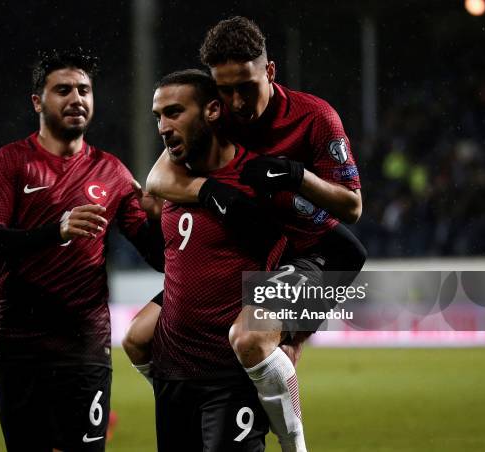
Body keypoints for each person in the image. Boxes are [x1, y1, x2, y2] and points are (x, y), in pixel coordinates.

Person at [124, 16, 367, 452]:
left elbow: (352, 208)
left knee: (252, 337)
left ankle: (294, 444)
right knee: (139, 337)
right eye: (225, 90)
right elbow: (156, 178)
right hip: (264, 251)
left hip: (320, 253)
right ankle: (191, 401)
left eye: (246, 87)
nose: (237, 102)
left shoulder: (315, 117)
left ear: (270, 71)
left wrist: (298, 176)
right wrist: (210, 191)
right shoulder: (220, 118)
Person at [0, 48, 163, 452]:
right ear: (38, 101)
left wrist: (169, 217)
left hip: (85, 348)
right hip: (20, 348)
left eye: (84, 90)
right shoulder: (10, 163)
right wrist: (54, 231)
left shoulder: (111, 171)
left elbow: (156, 253)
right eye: (63, 90)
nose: (76, 98)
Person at [149, 68, 289, 452]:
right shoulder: (170, 180)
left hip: (228, 376)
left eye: (174, 112)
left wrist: (289, 336)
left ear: (212, 110)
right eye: (158, 116)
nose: (162, 126)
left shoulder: (257, 179)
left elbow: (311, 255)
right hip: (172, 377)